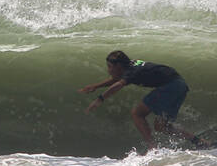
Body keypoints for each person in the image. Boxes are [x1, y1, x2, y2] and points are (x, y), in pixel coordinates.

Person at [80, 50, 208, 149]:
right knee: (161, 126)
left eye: (110, 66)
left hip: (171, 86)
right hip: (180, 85)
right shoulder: (130, 66)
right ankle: (198, 141)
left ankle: (153, 148)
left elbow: (118, 84)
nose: (109, 70)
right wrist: (96, 86)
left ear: (118, 65)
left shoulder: (132, 71)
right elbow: (116, 79)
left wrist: (100, 99)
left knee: (137, 113)